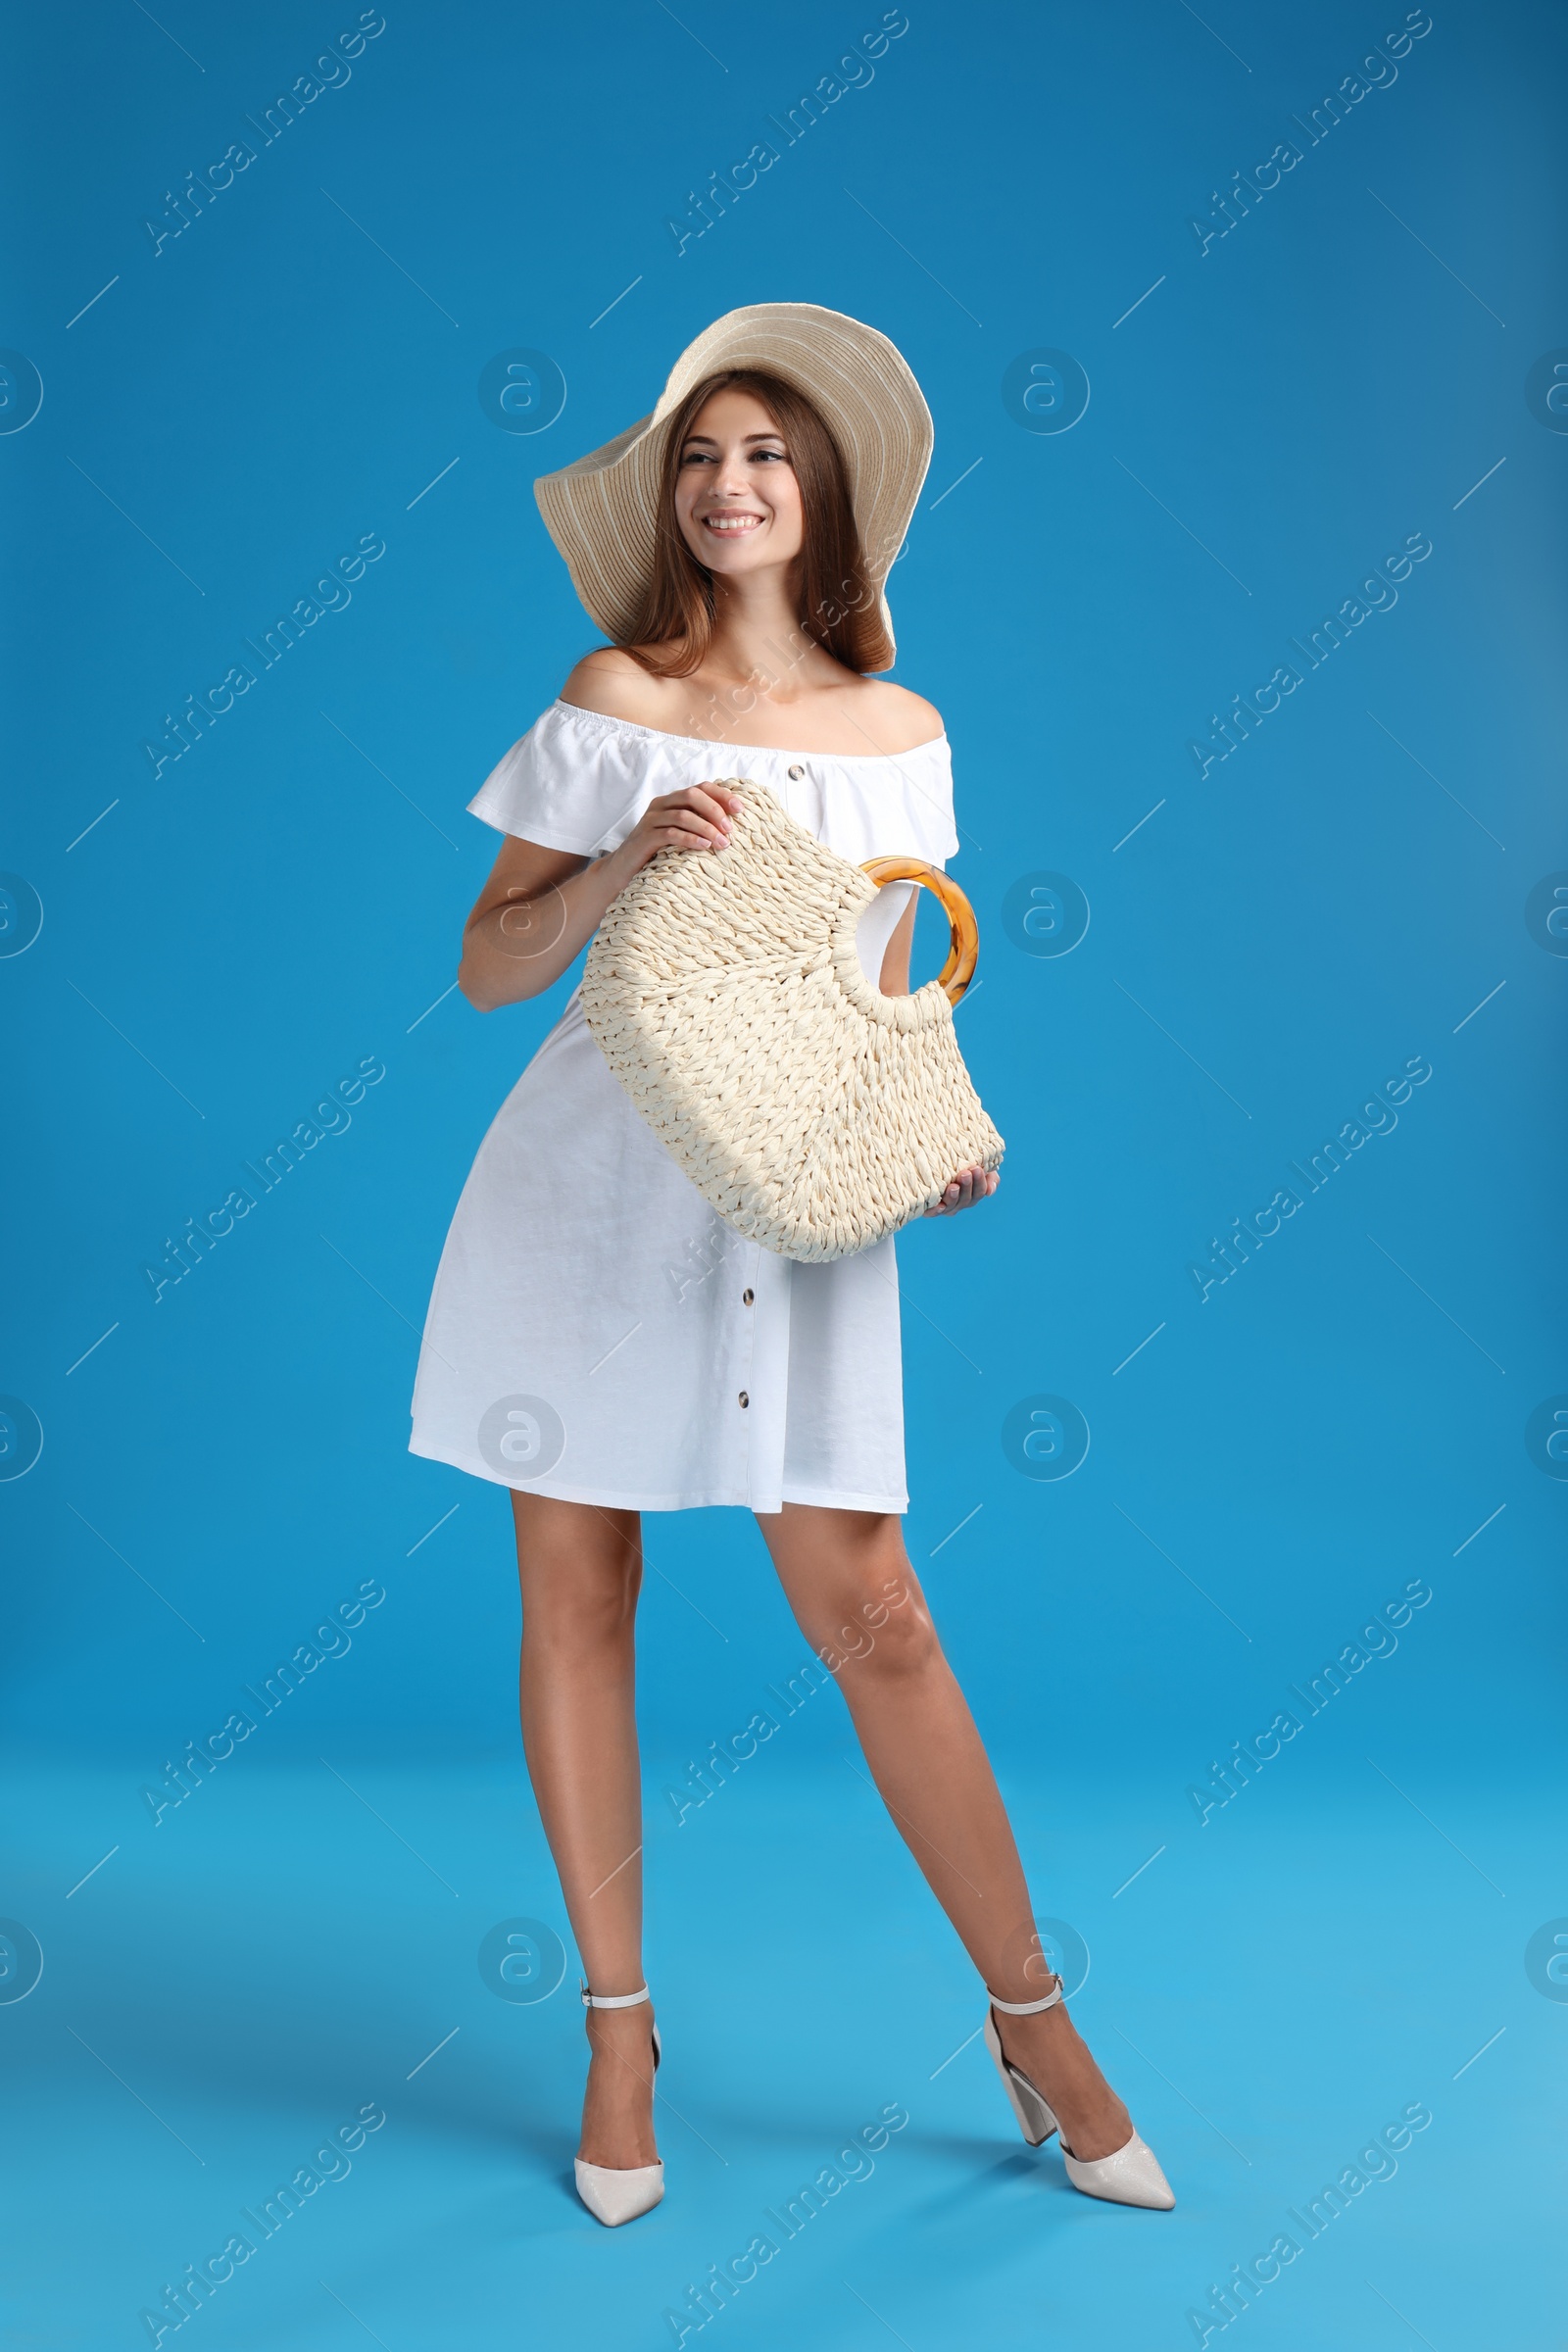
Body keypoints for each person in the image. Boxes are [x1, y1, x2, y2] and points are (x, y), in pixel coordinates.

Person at [410, 305, 1173, 2226]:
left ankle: (1031, 2018)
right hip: (589, 1195)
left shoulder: (898, 735)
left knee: (877, 1612)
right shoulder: (611, 695)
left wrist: (941, 1129)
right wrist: (619, 864)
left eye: (761, 453)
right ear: (671, 502)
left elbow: (878, 990)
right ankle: (613, 2030)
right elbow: (491, 966)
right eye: (698, 456)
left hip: (794, 1208)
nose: (728, 482)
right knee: (580, 1602)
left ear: (818, 490)